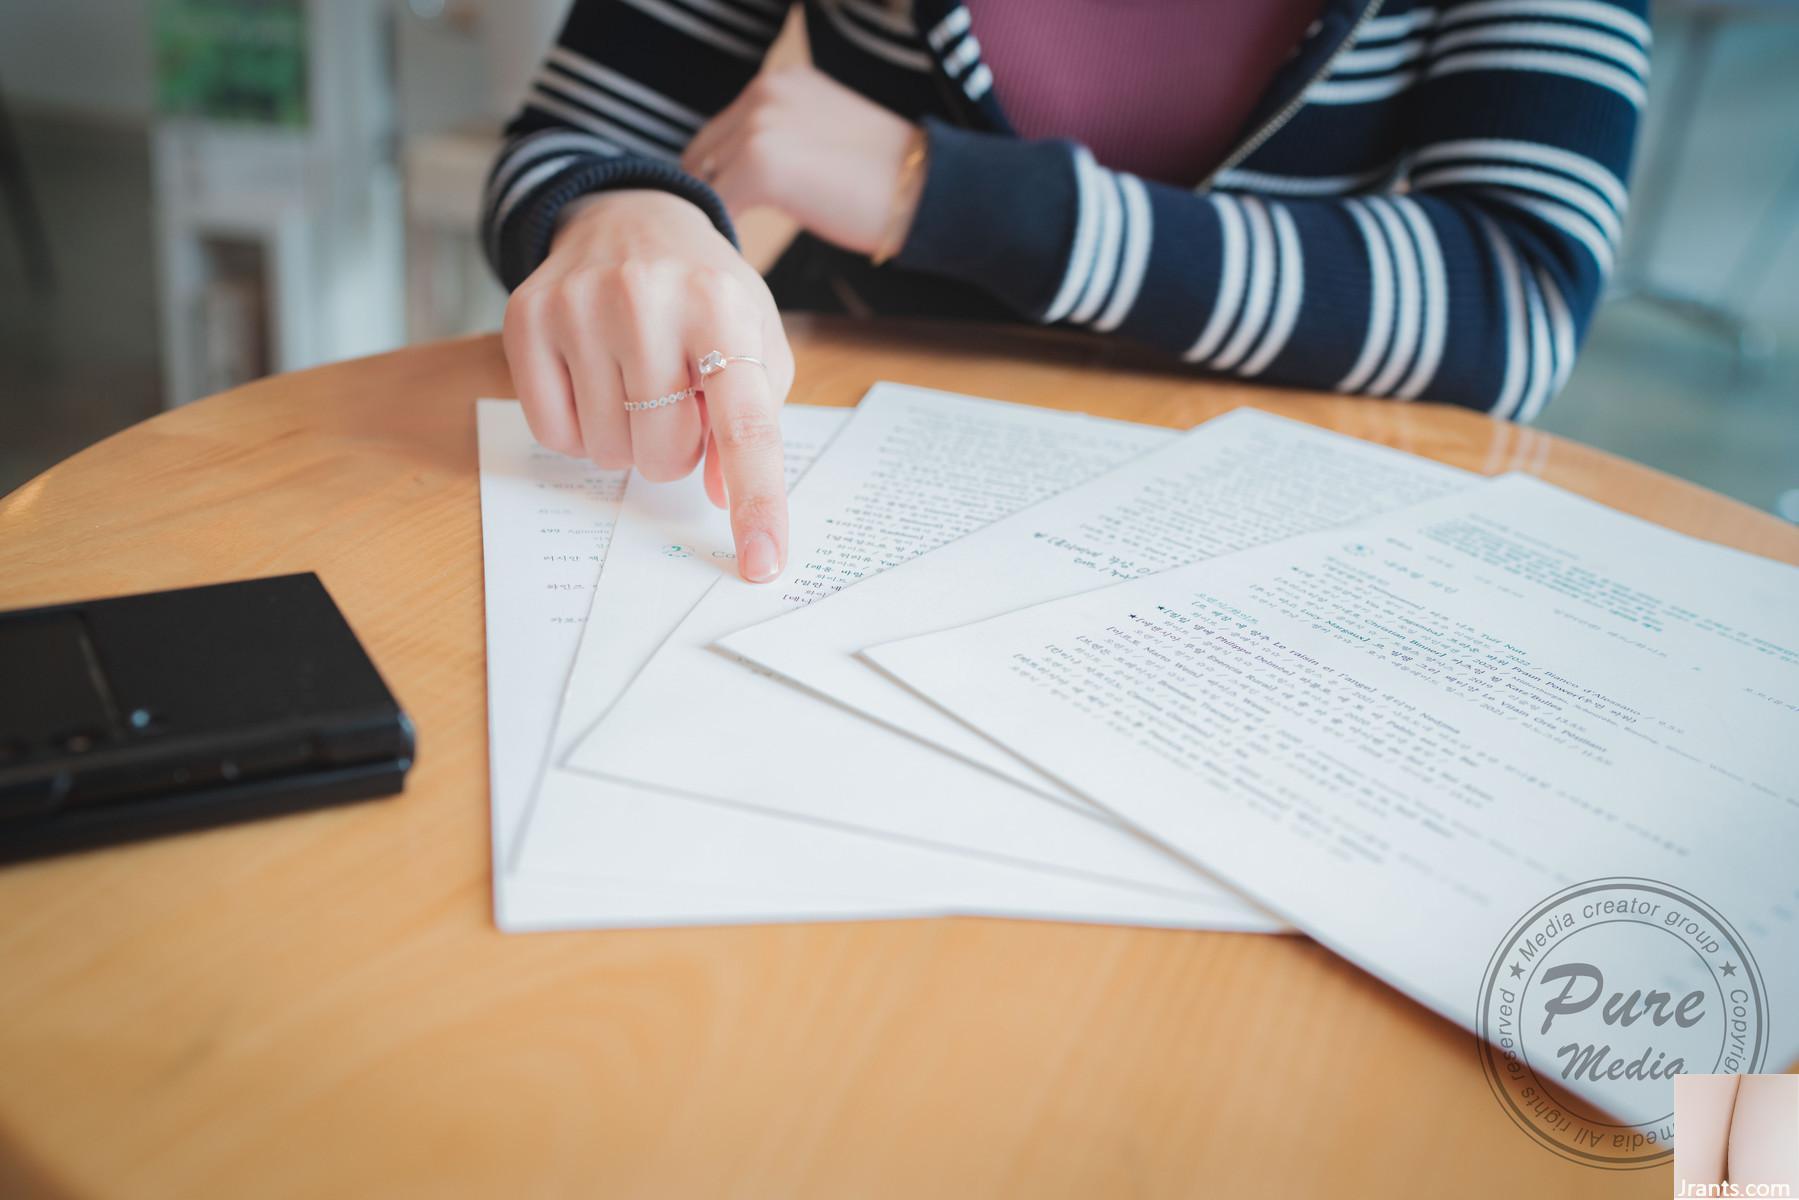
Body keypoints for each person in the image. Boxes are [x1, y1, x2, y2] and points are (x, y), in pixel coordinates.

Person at [482, 0, 1647, 582]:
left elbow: (1516, 295)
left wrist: (938, 195)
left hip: (1289, 526)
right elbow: (571, 137)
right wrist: (625, 209)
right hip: (841, 463)